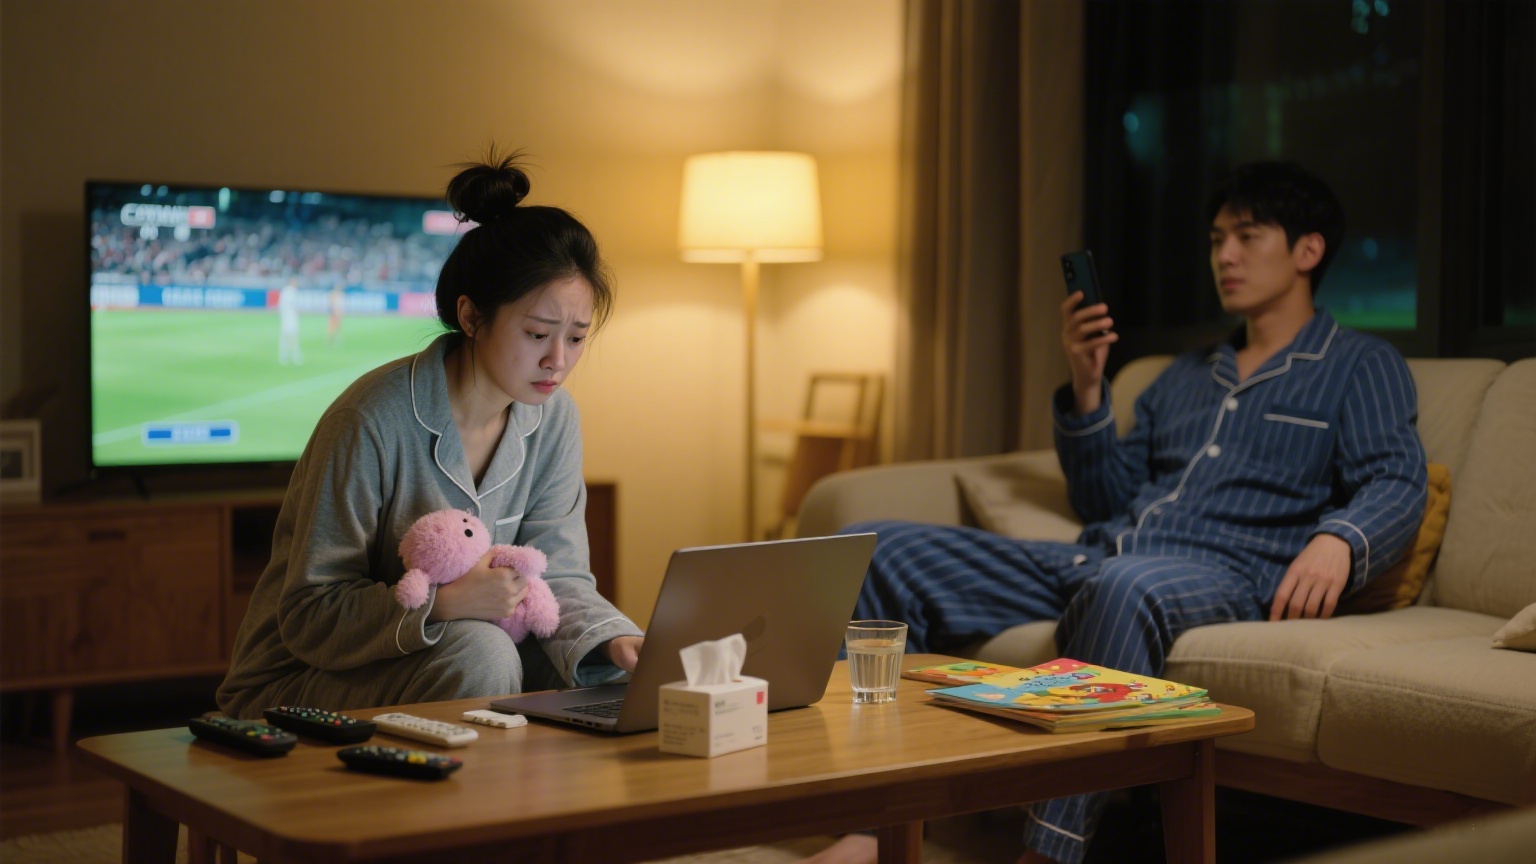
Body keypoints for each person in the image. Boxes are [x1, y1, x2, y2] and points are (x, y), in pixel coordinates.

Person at [808, 161, 1427, 864]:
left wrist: (1340, 540)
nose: (1224, 255)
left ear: (1308, 250)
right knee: (874, 544)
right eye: (1216, 239)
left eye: (1247, 237)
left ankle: (1048, 853)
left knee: (1123, 587)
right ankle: (874, 828)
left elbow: (1397, 478)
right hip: (1104, 554)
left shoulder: (1361, 364)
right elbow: (1103, 497)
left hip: (1224, 575)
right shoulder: (1181, 376)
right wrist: (1088, 385)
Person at [218, 152, 644, 719]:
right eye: (537, 333)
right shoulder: (370, 419)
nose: (557, 361)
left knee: (606, 672)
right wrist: (443, 603)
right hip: (300, 679)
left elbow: (559, 576)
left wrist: (618, 641)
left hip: (447, 656)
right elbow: (309, 613)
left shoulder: (555, 418)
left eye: (576, 338)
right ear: (471, 317)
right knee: (484, 652)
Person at [277, 277, 302, 365]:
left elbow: (280, 306)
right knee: (292, 337)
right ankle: (294, 355)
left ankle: (285, 355)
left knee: (286, 337)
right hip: (290, 318)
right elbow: (295, 306)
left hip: (286, 318)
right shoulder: (291, 292)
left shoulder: (285, 292)